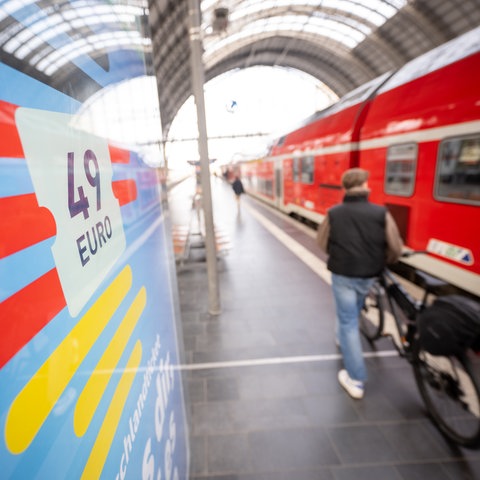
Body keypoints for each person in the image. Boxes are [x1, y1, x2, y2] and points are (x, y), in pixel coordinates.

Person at [317, 168, 403, 399]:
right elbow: (395, 247)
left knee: (348, 321)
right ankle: (341, 337)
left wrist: (338, 253)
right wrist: (384, 260)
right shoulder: (381, 213)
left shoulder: (334, 213)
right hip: (369, 275)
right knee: (351, 314)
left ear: (345, 188)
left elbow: (322, 242)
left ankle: (355, 379)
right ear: (365, 185)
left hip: (343, 273)